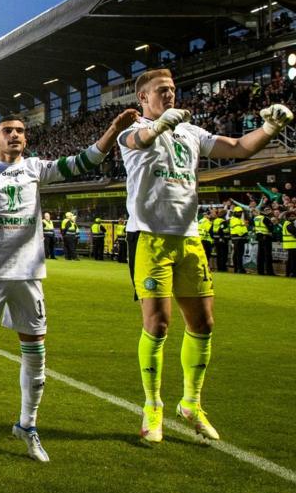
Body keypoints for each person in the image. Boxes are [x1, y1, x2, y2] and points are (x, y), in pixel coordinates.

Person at [0, 110, 130, 463]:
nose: (15, 135)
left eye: (20, 131)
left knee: (36, 356)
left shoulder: (35, 167)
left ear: (25, 139)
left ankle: (27, 425)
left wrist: (113, 130)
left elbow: (81, 162)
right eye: (7, 130)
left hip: (29, 277)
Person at [118, 67, 291, 443]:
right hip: (149, 238)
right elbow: (140, 141)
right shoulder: (129, 132)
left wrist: (270, 129)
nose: (170, 95)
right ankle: (152, 406)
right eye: (161, 90)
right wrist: (160, 124)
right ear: (142, 99)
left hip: (189, 239)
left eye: (173, 89)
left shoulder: (191, 132)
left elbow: (239, 148)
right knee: (158, 324)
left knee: (204, 324)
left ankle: (191, 403)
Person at [252, 208, 274, 276]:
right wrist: (270, 232)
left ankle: (260, 271)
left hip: (259, 237)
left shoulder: (255, 219)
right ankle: (269, 272)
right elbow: (271, 227)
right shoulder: (265, 218)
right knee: (268, 255)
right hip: (266, 237)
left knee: (260, 255)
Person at [229, 206, 249, 274]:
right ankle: (239, 268)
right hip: (237, 238)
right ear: (235, 213)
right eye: (238, 212)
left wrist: (246, 233)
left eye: (240, 212)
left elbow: (243, 228)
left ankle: (238, 268)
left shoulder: (239, 219)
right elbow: (239, 230)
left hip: (240, 239)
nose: (240, 214)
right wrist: (245, 233)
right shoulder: (234, 219)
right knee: (238, 254)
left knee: (238, 254)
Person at [283, 210, 296, 277]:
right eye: (292, 216)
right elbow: (294, 232)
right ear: (288, 217)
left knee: (290, 260)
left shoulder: (286, 223)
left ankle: (288, 273)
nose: (293, 217)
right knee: (293, 261)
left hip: (290, 245)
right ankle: (293, 273)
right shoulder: (289, 224)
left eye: (294, 216)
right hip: (292, 245)